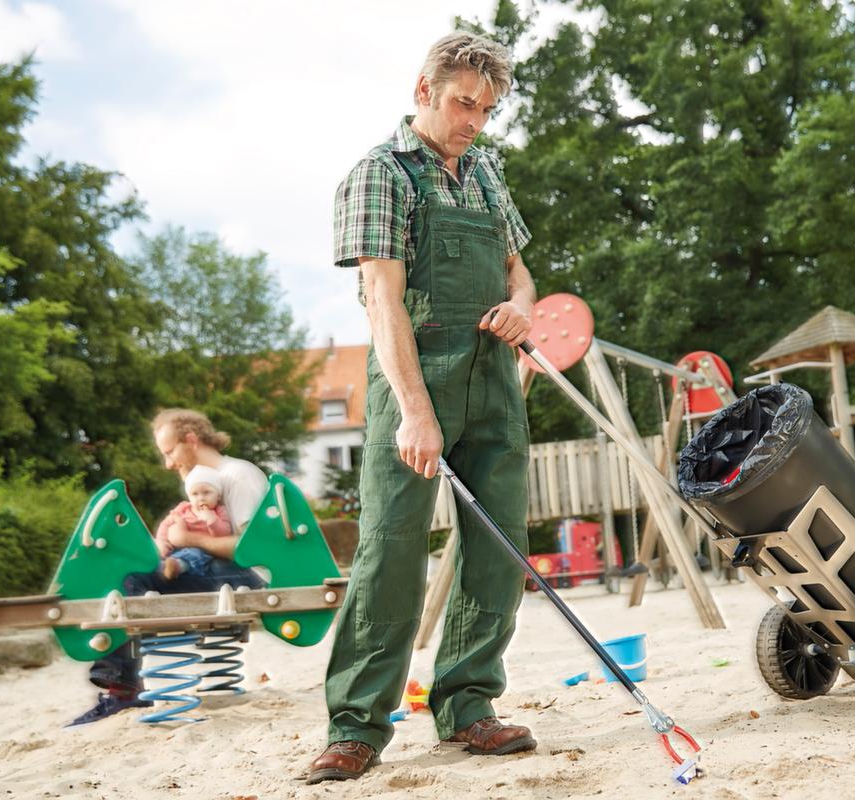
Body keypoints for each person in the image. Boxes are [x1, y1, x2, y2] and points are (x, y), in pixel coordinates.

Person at [309, 31, 537, 783]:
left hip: (493, 380)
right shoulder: (380, 174)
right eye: (463, 104)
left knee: (498, 549)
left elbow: (519, 272)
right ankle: (358, 726)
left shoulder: (484, 173)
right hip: (414, 378)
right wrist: (416, 410)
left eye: (487, 109)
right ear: (423, 92)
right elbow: (381, 300)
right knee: (391, 552)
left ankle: (468, 706)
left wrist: (522, 310)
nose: (474, 121)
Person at [69, 409, 269, 725]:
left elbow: (252, 549)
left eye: (169, 452)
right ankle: (122, 684)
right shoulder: (206, 484)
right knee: (127, 569)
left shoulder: (237, 475)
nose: (168, 463)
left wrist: (187, 538)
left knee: (126, 577)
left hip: (247, 576)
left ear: (190, 439)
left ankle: (121, 687)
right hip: (214, 569)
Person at [157, 465, 234, 581]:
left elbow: (225, 533)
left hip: (202, 549)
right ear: (189, 497)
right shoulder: (183, 508)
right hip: (175, 547)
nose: (201, 498)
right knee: (158, 553)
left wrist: (212, 520)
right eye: (195, 494)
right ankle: (163, 564)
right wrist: (161, 542)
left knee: (196, 555)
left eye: (207, 492)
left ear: (218, 496)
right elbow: (165, 524)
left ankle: (177, 566)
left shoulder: (219, 511)